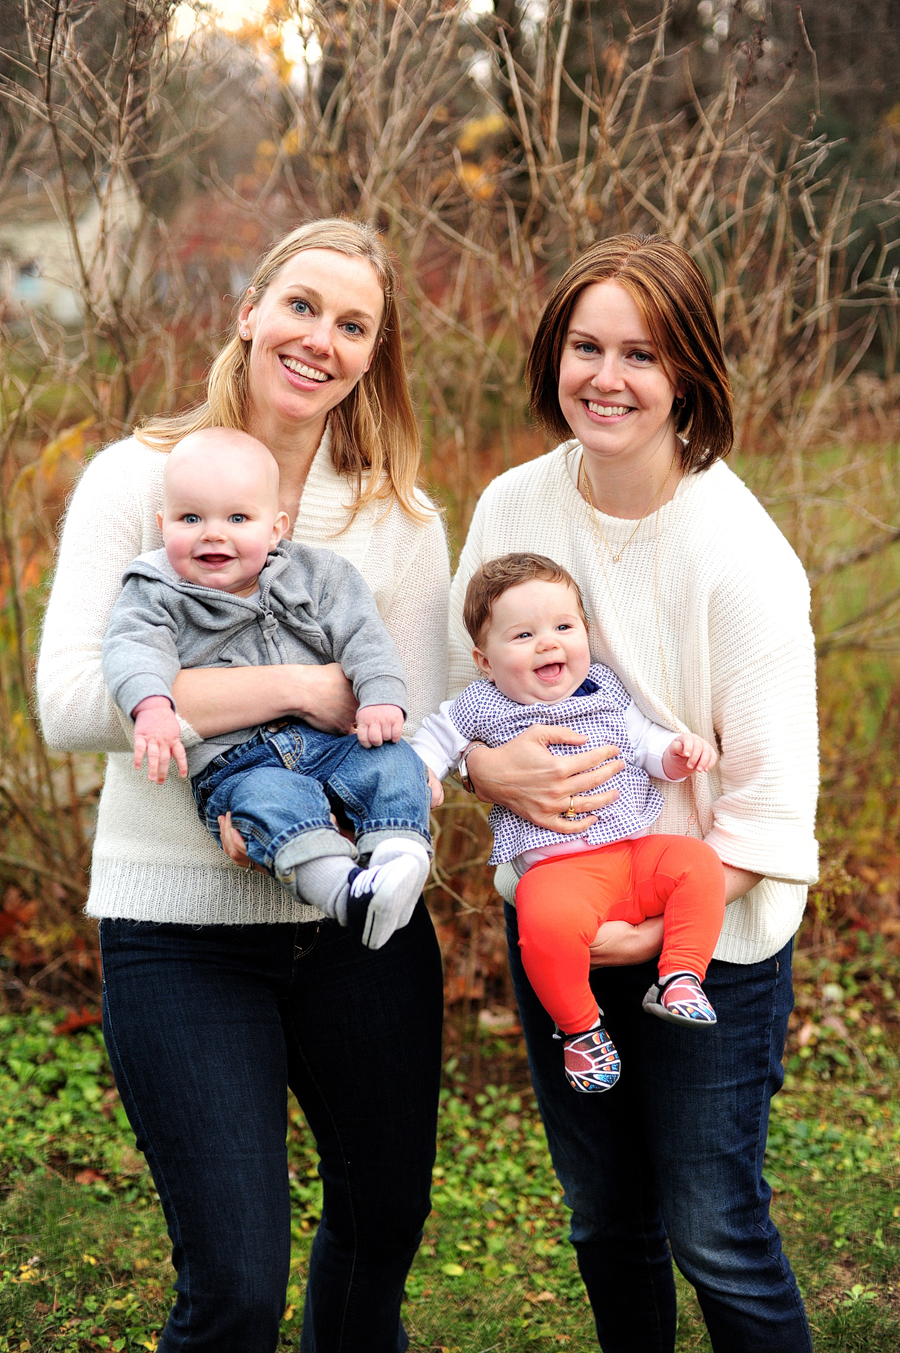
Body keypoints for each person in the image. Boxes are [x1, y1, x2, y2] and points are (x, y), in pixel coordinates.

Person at [37, 219, 450, 1353]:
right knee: (232, 1289)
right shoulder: (139, 479)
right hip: (180, 931)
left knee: (380, 1242)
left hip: (361, 928)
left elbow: (412, 739)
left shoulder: (400, 523)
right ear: (249, 310)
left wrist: (332, 793)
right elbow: (75, 703)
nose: (322, 340)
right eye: (303, 306)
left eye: (354, 323)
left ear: (376, 353)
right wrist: (310, 690)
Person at [447, 235, 818, 1352]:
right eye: (585, 346)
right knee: (605, 1218)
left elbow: (769, 806)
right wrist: (480, 770)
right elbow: (454, 709)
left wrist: (649, 939)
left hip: (707, 936)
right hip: (560, 915)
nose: (606, 378)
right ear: (553, 355)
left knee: (712, 1226)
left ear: (688, 375)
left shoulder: (740, 555)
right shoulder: (512, 508)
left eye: (641, 354)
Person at [102, 426, 431, 949]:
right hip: (238, 762)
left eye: (237, 518)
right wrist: (152, 706)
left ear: (276, 528)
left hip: (331, 746)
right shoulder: (155, 591)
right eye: (191, 519)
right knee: (271, 801)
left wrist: (382, 697)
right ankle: (345, 891)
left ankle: (396, 855)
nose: (213, 533)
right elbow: (132, 649)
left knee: (393, 762)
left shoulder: (321, 577)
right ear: (162, 525)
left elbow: (368, 639)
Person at [413, 551, 725, 1093]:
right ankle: (581, 1030)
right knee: (544, 925)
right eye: (523, 635)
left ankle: (680, 976)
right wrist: (422, 775)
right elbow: (433, 740)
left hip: (634, 855)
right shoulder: (481, 706)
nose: (549, 643)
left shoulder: (606, 688)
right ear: (484, 660)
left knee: (698, 863)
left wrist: (677, 754)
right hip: (559, 871)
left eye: (563, 626)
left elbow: (647, 746)